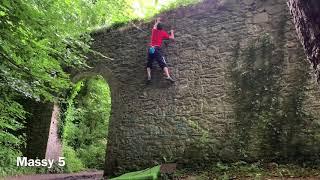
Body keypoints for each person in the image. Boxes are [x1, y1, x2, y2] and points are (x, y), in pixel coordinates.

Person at [146, 17, 175, 84]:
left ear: (157, 27)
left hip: (151, 49)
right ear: (162, 28)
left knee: (149, 63)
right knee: (162, 63)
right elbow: (172, 38)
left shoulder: (154, 31)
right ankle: (168, 76)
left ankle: (149, 77)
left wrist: (157, 21)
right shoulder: (163, 33)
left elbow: (155, 25)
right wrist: (172, 32)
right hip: (157, 49)